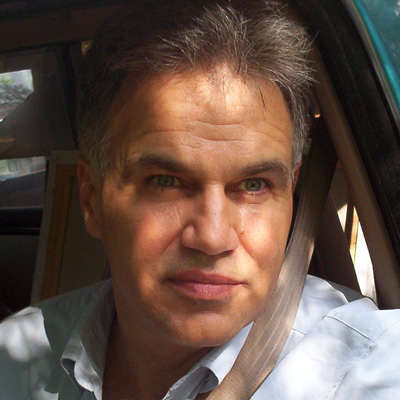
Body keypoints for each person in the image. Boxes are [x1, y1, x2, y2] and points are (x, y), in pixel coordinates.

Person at [1, 0, 400, 399]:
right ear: (90, 198)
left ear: (290, 193)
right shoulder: (17, 353)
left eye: (254, 185)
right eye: (165, 181)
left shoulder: (369, 364)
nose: (212, 238)